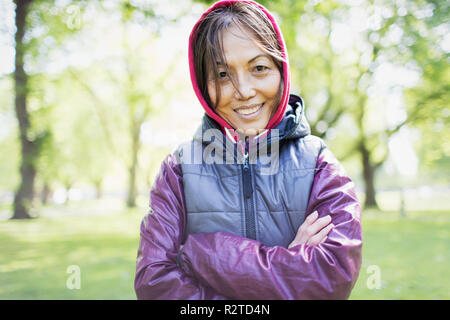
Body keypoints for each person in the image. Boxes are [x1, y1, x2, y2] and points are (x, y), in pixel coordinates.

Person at [134, 0, 362, 300]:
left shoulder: (319, 164)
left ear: (281, 71)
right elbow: (154, 283)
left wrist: (202, 254)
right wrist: (289, 264)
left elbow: (331, 277)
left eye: (259, 68)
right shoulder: (178, 169)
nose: (243, 90)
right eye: (223, 75)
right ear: (203, 84)